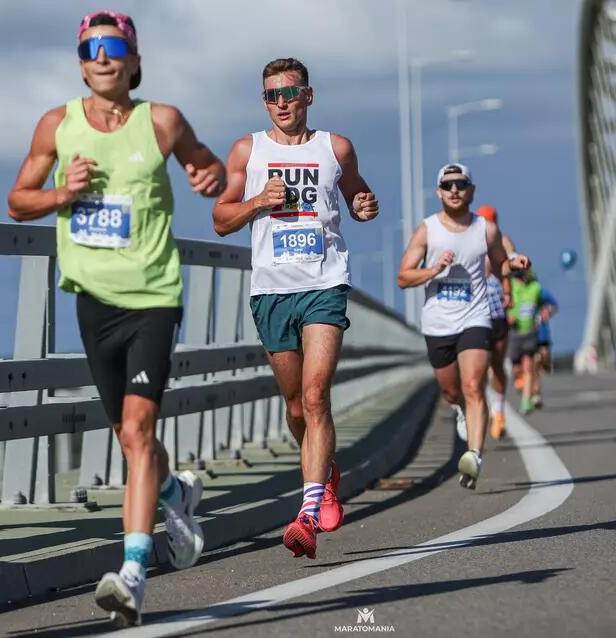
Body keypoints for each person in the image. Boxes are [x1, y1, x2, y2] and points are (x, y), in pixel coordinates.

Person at [7, 10, 226, 626]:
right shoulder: (58, 124)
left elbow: (207, 166)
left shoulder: (162, 121)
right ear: (81, 63)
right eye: (89, 48)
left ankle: (132, 573)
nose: (101, 57)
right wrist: (62, 194)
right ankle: (178, 493)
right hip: (93, 301)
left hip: (153, 296)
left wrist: (209, 176)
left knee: (136, 432)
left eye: (113, 47)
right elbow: (17, 200)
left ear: (133, 61)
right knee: (132, 441)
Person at [212, 58, 378, 560]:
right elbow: (221, 219)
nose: (281, 102)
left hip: (324, 283)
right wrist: (259, 200)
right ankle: (325, 471)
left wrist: (366, 206)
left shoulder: (336, 147)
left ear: (309, 95)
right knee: (294, 406)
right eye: (272, 96)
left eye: (291, 92)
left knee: (315, 393)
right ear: (264, 101)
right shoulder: (248, 149)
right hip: (272, 290)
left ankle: (307, 511)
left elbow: (358, 197)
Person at [398, 164, 528, 489]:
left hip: (475, 316)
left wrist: (514, 266)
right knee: (452, 390)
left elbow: (500, 264)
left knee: (473, 385)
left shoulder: (486, 229)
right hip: (438, 323)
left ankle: (474, 454)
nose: (454, 190)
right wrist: (432, 270)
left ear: (471, 190)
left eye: (461, 184)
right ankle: (459, 410)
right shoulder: (427, 230)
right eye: (447, 185)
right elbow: (403, 276)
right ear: (438, 192)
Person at [474, 204, 519, 440]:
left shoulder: (503, 241)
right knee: (478, 370)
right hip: (475, 313)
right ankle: (481, 409)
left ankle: (499, 412)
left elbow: (511, 262)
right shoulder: (467, 241)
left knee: (498, 365)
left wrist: (511, 263)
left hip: (498, 311)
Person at [508, 269, 544, 415]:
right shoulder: (510, 286)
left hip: (530, 333)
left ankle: (526, 401)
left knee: (529, 366)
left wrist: (546, 311)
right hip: (514, 333)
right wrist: (507, 316)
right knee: (516, 368)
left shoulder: (536, 288)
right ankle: (520, 381)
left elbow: (545, 304)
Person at [532, 287, 558, 408]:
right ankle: (535, 393)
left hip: (541, 334)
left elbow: (554, 305)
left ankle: (546, 365)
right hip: (526, 334)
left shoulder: (538, 290)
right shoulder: (514, 289)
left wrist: (548, 311)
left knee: (544, 358)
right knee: (533, 364)